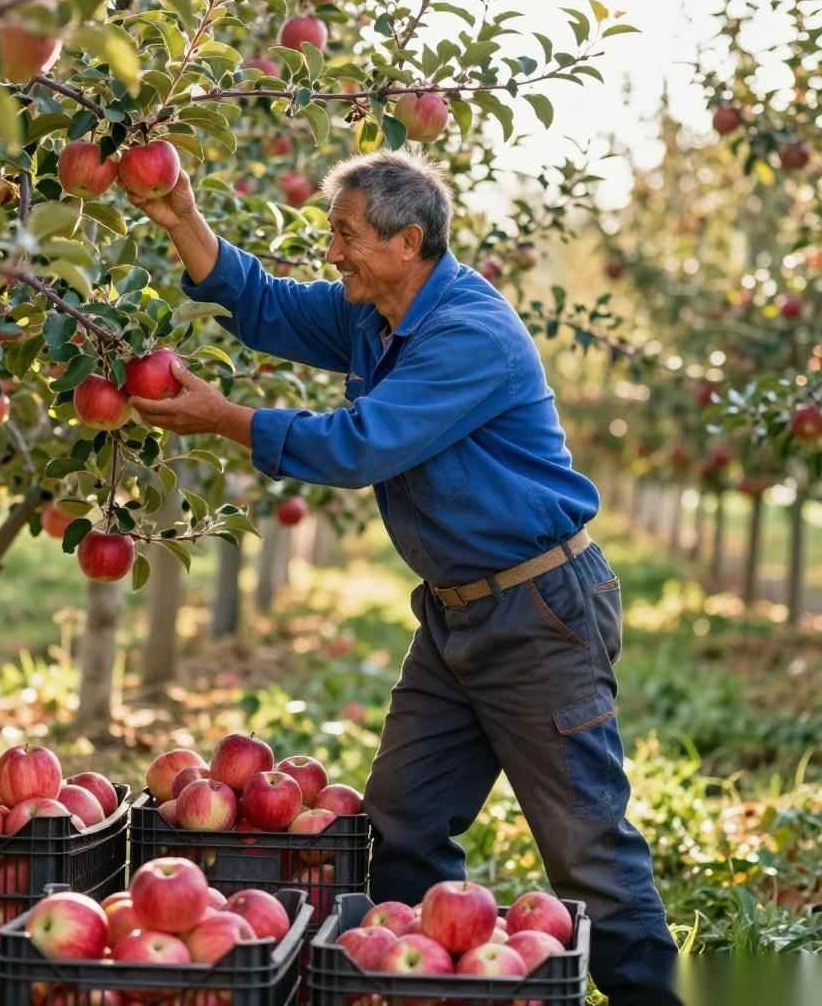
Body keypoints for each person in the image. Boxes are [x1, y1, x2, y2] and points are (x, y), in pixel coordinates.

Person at [129, 151, 681, 1006]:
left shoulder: (467, 333)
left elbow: (360, 446)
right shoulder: (374, 312)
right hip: (457, 616)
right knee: (401, 828)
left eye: (346, 236)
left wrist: (223, 420)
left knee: (588, 851)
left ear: (406, 240)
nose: (333, 253)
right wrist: (184, 219)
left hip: (538, 612)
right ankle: (414, 986)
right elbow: (266, 304)